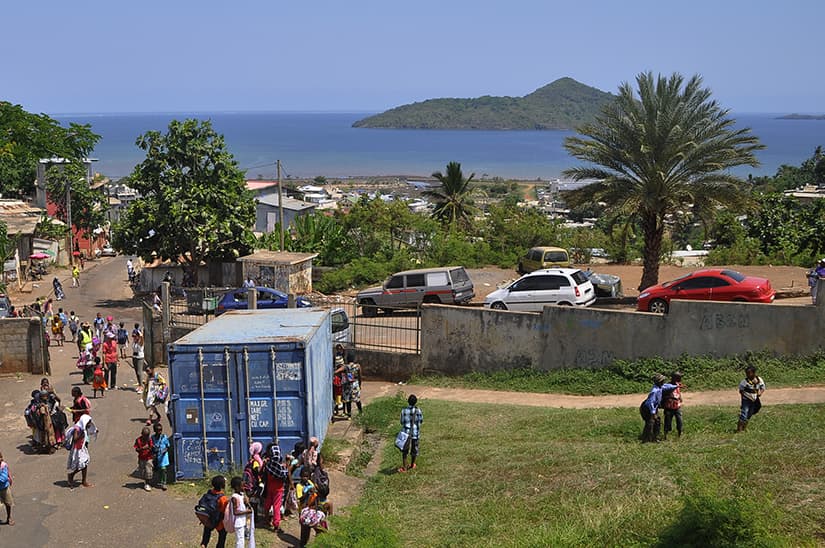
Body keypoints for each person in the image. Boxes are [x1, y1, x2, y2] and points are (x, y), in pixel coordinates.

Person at [640, 374, 678, 443]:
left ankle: (654, 437)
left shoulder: (660, 387)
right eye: (662, 381)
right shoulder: (654, 391)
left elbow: (667, 387)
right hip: (647, 408)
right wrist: (653, 413)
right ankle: (646, 439)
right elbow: (650, 403)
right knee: (650, 422)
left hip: (653, 407)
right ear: (659, 382)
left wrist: (677, 386)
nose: (664, 382)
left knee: (657, 422)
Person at [65, 414, 97, 488]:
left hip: (82, 448)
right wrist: (81, 435)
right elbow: (75, 439)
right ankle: (72, 475)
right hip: (77, 449)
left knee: (84, 463)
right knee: (82, 464)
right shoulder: (77, 428)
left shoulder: (83, 427)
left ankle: (83, 480)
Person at [262, 442, 287, 532]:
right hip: (278, 489)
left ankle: (266, 519)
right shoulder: (281, 467)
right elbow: (285, 476)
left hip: (269, 488)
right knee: (277, 506)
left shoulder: (268, 464)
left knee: (267, 504)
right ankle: (276, 524)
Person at [199, 475, 229, 548]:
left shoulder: (208, 493)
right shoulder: (223, 498)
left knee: (207, 532)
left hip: (208, 519)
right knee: (222, 535)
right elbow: (224, 511)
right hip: (218, 521)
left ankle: (204, 544)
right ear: (222, 486)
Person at [225, 476, 254, 548]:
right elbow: (235, 512)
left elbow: (245, 505)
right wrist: (246, 512)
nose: (243, 488)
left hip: (242, 521)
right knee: (240, 541)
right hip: (238, 522)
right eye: (242, 486)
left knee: (242, 539)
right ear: (237, 487)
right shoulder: (235, 497)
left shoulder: (241, 495)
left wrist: (246, 502)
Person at [398, 394, 424, 472]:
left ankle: (405, 467)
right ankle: (412, 464)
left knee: (405, 451)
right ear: (416, 402)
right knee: (414, 449)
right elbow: (421, 420)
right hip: (415, 434)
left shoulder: (404, 410)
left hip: (406, 434)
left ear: (408, 401)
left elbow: (402, 422)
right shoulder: (418, 410)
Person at [738, 365, 766, 432]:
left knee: (751, 412)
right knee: (744, 412)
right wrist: (745, 397)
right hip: (746, 399)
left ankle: (744, 425)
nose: (747, 375)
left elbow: (763, 387)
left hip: (754, 399)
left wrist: (760, 393)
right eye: (746, 373)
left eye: (749, 373)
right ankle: (739, 429)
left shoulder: (759, 380)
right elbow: (741, 390)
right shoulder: (744, 382)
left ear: (754, 373)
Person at [662, 371, 684, 439]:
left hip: (677, 406)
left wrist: (680, 397)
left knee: (679, 420)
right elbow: (664, 395)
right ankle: (665, 435)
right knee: (667, 422)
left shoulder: (677, 384)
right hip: (669, 407)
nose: (680, 379)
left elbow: (678, 391)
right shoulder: (667, 386)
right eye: (679, 377)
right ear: (674, 378)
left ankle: (679, 434)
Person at [134, 426, 154, 492]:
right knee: (142, 471)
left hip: (148, 458)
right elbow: (136, 449)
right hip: (141, 458)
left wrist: (150, 448)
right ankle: (146, 480)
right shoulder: (138, 440)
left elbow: (152, 447)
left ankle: (148, 483)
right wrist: (142, 448)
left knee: (148, 470)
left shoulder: (149, 440)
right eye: (145, 435)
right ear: (141, 434)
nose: (146, 437)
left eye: (147, 435)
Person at [151, 422, 170, 491]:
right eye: (158, 430)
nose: (159, 432)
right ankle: (156, 480)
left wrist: (164, 450)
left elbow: (168, 446)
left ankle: (164, 483)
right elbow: (151, 446)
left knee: (163, 469)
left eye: (160, 430)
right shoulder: (152, 438)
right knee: (156, 469)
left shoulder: (164, 437)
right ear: (154, 431)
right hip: (156, 456)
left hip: (163, 456)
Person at [0, 451, 13, 526]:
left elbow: (4, 478)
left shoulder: (3, 466)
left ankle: (9, 517)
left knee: (8, 503)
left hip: (4, 488)